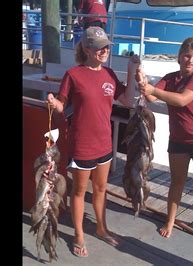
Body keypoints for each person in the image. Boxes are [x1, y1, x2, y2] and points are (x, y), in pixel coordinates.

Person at [46, 26, 138, 257]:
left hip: (104, 144)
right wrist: (53, 103)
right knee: (79, 191)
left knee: (100, 188)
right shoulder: (74, 75)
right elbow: (61, 104)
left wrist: (131, 69)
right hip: (82, 144)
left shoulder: (109, 74)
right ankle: (78, 234)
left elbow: (127, 100)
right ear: (86, 49)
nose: (104, 51)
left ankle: (101, 228)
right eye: (99, 48)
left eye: (106, 47)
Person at [135, 37, 193, 241]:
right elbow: (151, 97)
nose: (191, 60)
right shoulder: (170, 78)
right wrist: (142, 82)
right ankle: (170, 220)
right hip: (178, 139)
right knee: (176, 182)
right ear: (179, 57)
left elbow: (182, 100)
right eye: (187, 55)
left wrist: (153, 90)